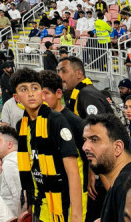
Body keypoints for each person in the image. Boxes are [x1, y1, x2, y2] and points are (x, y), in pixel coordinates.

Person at [11, 68, 83, 222]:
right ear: (16, 98)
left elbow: (73, 172)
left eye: (35, 88)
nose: (31, 93)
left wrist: (76, 216)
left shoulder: (56, 121)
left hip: (59, 208)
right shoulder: (22, 126)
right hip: (38, 207)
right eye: (24, 89)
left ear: (41, 93)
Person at [40, 70, 93, 221]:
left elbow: (88, 153)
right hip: (53, 194)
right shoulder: (41, 120)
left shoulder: (74, 122)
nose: (42, 99)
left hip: (73, 193)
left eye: (46, 94)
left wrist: (90, 175)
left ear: (58, 94)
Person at [82, 114, 131, 222]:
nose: (85, 147)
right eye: (85, 140)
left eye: (94, 140)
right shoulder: (121, 182)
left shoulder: (127, 186)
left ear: (118, 147)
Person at [0, 125, 23, 216]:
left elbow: (19, 197)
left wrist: (17, 219)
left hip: (12, 216)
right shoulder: (14, 160)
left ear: (10, 144)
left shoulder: (10, 163)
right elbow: (3, 193)